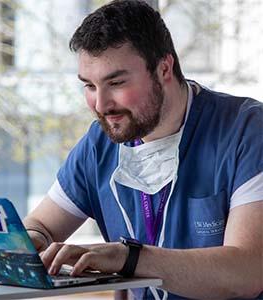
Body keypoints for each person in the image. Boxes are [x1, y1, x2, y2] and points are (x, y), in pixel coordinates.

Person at [23, 0, 263, 299]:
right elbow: (41, 225)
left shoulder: (246, 131)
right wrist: (32, 241)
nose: (101, 105)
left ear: (164, 68)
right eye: (89, 86)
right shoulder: (100, 144)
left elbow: (248, 271)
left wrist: (128, 258)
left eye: (117, 82)